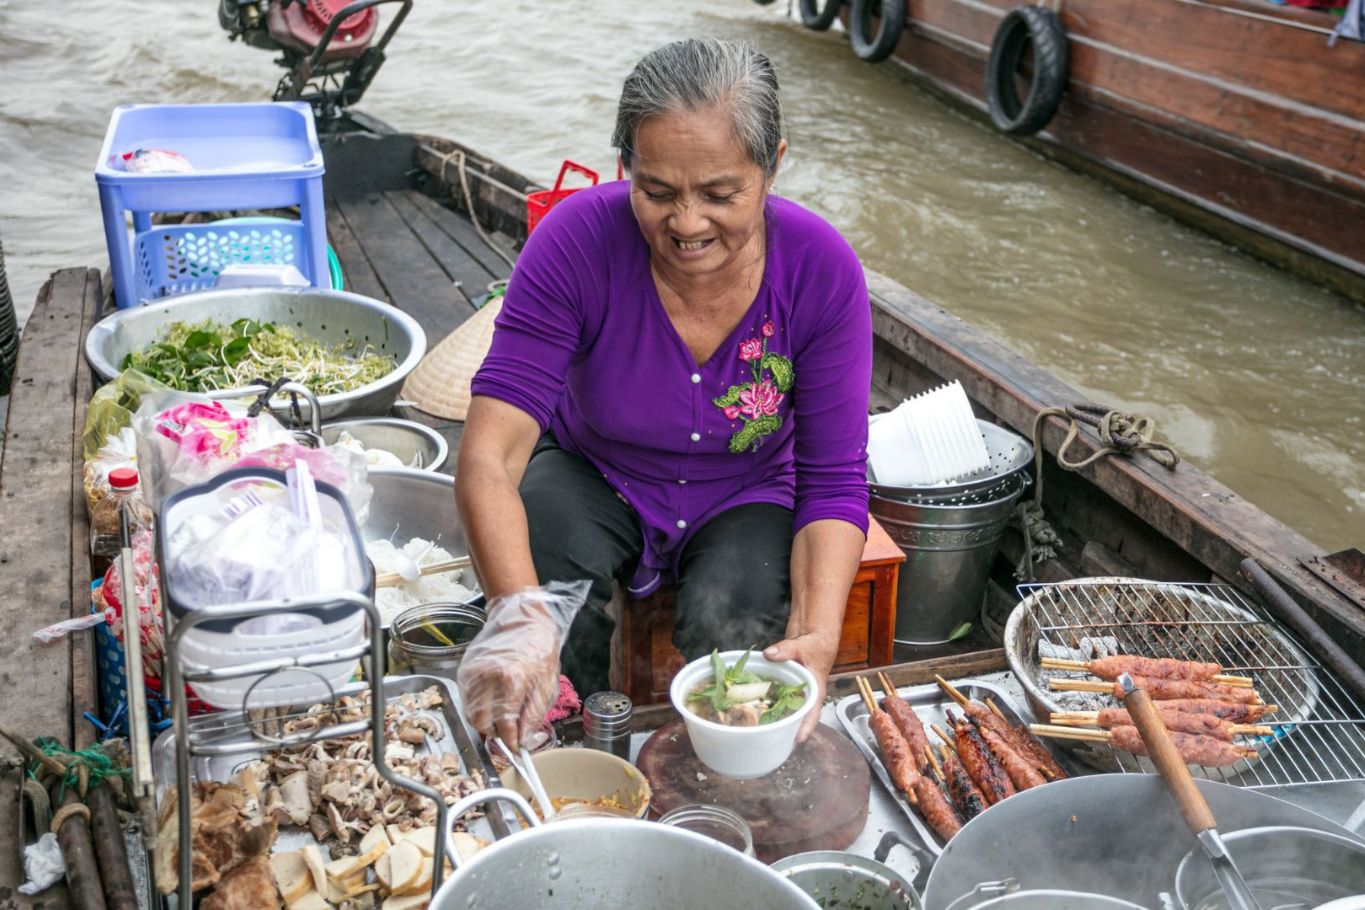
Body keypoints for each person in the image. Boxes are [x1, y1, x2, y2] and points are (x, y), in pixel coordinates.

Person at [456, 37, 872, 748]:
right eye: (656, 192)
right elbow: (490, 456)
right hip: (596, 470)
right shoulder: (573, 242)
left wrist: (816, 637)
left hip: (747, 490)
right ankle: (563, 740)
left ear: (771, 167)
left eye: (719, 194)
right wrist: (518, 618)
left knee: (737, 625)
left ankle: (720, 769)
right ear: (626, 167)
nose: (685, 224)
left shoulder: (820, 270)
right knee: (548, 563)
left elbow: (833, 480)